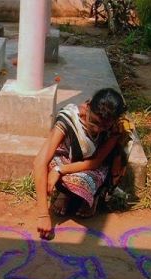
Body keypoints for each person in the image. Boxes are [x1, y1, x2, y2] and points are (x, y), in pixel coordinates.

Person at [34, 87, 132, 240]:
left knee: (81, 181)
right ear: (88, 106)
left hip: (94, 168)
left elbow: (95, 162)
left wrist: (60, 170)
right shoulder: (69, 118)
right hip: (71, 160)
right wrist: (42, 215)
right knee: (49, 166)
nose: (97, 129)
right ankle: (67, 195)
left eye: (104, 126)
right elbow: (40, 161)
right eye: (94, 122)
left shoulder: (115, 126)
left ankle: (95, 196)